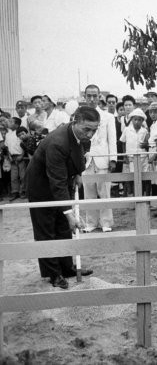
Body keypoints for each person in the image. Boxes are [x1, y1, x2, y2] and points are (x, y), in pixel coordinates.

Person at [26, 106, 99, 289]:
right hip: (41, 188)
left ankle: (67, 268)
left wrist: (78, 173)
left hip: (61, 181)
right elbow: (56, 182)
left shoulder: (80, 136)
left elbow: (82, 152)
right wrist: (69, 214)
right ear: (75, 121)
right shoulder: (58, 142)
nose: (90, 135)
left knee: (63, 229)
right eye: (86, 129)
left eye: (94, 130)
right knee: (47, 232)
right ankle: (54, 274)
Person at [82, 84, 117, 232]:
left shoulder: (108, 117)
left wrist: (113, 159)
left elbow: (112, 139)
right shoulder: (78, 116)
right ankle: (91, 223)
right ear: (84, 97)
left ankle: (106, 223)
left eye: (94, 96)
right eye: (88, 96)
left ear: (99, 97)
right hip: (85, 160)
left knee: (104, 192)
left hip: (103, 159)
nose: (91, 99)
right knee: (88, 192)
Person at [5, 117, 26, 201]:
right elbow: (7, 146)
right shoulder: (7, 134)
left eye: (11, 122)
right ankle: (15, 192)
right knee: (13, 176)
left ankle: (23, 191)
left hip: (21, 156)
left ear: (17, 124)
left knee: (22, 175)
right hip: (12, 158)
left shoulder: (20, 133)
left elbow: (24, 145)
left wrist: (22, 155)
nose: (8, 123)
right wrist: (9, 155)